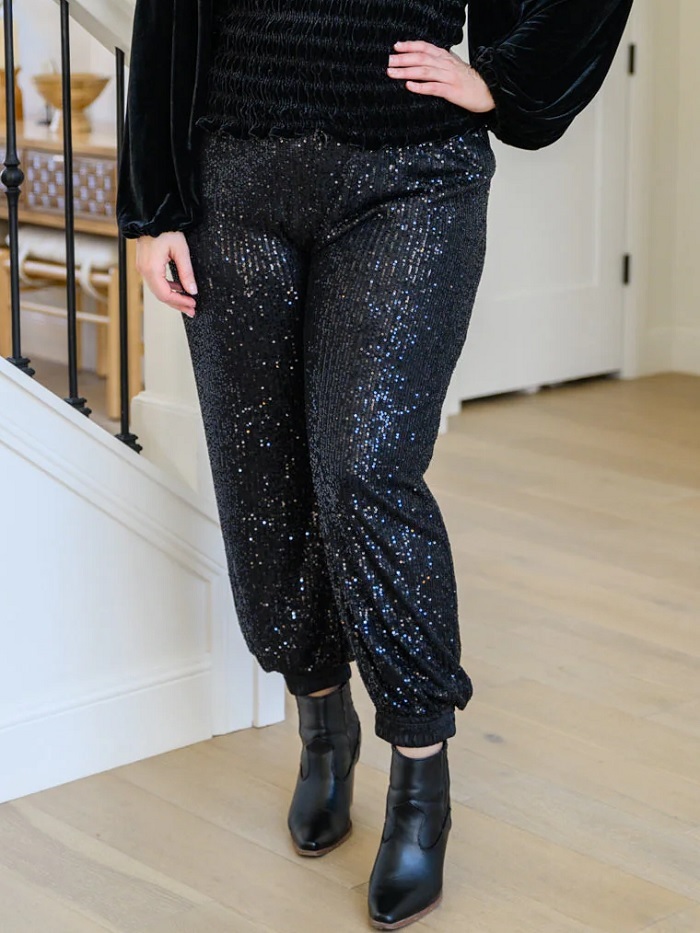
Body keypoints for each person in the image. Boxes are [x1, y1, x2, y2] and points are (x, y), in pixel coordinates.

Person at [116, 0, 634, 927]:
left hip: (412, 175)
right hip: (236, 178)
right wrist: (156, 208)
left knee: (364, 466)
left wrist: (506, 85)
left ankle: (421, 779)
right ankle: (323, 725)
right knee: (261, 476)